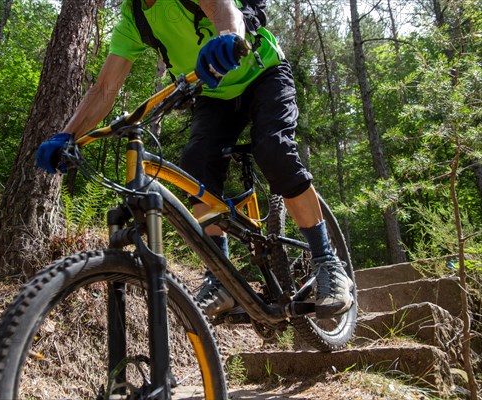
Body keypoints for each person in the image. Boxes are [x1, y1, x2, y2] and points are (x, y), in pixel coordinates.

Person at [36, 0, 353, 319]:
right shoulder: (134, 21)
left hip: (264, 73)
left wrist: (229, 37)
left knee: (274, 149)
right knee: (196, 165)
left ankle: (327, 261)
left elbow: (223, 8)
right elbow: (105, 89)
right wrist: (68, 135)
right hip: (213, 95)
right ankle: (221, 279)